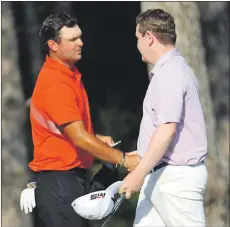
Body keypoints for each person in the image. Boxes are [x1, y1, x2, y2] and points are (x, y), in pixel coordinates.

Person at [29, 12, 139, 227]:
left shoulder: (68, 74)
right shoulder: (56, 82)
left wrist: (96, 138)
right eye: (72, 40)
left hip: (69, 181)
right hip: (59, 183)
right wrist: (125, 160)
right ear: (53, 45)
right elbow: (78, 136)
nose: (80, 43)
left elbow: (62, 127)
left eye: (79, 37)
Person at [119, 9, 208, 227]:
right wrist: (144, 153)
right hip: (159, 177)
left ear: (149, 37)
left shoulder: (171, 73)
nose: (137, 44)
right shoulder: (171, 71)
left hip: (176, 181)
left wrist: (138, 174)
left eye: (138, 38)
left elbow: (167, 129)